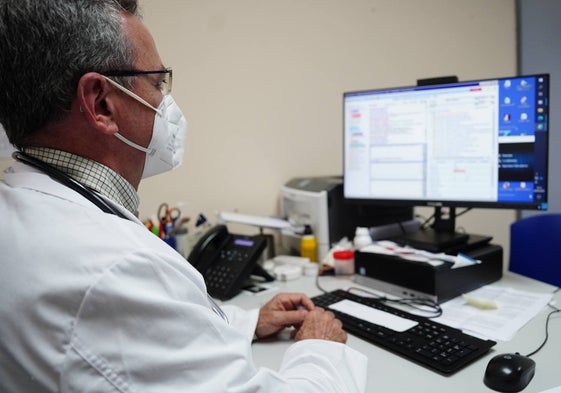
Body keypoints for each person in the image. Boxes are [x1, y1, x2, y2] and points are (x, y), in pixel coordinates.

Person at [0, 1, 367, 392]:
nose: (165, 101)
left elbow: (141, 343)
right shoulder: (116, 266)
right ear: (101, 103)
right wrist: (318, 348)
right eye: (157, 82)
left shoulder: (25, 208)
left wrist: (244, 323)